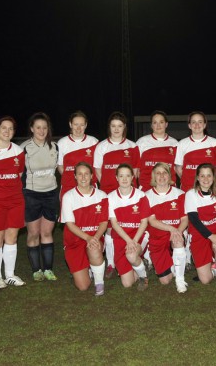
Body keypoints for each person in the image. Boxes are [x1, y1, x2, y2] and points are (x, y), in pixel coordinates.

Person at [94, 112, 140, 278]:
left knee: (129, 225)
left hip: (128, 194)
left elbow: (135, 172)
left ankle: (136, 258)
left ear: (124, 127)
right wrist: (108, 188)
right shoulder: (101, 146)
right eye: (113, 126)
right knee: (109, 229)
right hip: (108, 193)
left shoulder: (132, 146)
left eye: (119, 126)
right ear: (109, 127)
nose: (116, 129)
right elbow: (98, 171)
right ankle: (111, 263)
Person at [0, 116, 27, 288]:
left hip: (16, 200)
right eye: (4, 128)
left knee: (12, 237)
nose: (7, 131)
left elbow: (18, 175)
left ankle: (10, 274)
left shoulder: (18, 151)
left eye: (11, 128)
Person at [20, 112, 59, 282]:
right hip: (31, 194)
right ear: (31, 129)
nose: (41, 131)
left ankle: (48, 269)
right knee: (34, 233)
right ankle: (36, 270)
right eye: (38, 127)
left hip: (51, 194)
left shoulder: (55, 147)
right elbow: (19, 175)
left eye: (44, 127)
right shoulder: (24, 148)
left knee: (47, 232)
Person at [60, 162, 108, 295]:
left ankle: (99, 283)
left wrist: (95, 238)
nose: (83, 177)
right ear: (75, 176)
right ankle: (88, 268)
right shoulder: (68, 196)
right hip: (74, 241)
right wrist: (87, 237)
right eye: (79, 174)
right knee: (83, 286)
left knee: (93, 247)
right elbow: (70, 224)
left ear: (92, 175)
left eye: (86, 174)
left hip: (94, 237)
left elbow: (104, 222)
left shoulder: (102, 195)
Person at [184, 163, 216, 290]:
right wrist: (210, 236)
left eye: (209, 175)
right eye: (202, 176)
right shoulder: (190, 194)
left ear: (214, 177)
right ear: (198, 178)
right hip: (200, 234)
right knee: (205, 280)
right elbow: (194, 220)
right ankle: (213, 266)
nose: (206, 179)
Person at [145, 162, 189, 293]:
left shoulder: (180, 194)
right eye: (158, 173)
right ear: (153, 177)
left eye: (164, 173)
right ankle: (176, 263)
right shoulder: (147, 196)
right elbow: (152, 221)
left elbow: (184, 219)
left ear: (169, 175)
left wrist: (178, 232)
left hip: (176, 234)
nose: (161, 176)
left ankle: (180, 280)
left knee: (177, 240)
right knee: (165, 281)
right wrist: (172, 229)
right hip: (157, 238)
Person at [108, 164, 151, 290]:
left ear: (133, 177)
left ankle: (143, 276)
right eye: (121, 176)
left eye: (128, 175)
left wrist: (134, 241)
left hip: (139, 236)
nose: (124, 179)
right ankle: (138, 263)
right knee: (127, 284)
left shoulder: (141, 195)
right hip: (121, 238)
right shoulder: (110, 197)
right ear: (116, 178)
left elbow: (144, 222)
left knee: (131, 255)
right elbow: (114, 223)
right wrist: (128, 241)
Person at [175, 111, 216, 193]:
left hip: (209, 189)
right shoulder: (182, 144)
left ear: (205, 125)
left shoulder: (214, 143)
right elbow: (178, 168)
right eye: (193, 122)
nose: (197, 125)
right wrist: (187, 181)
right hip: (188, 189)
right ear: (189, 125)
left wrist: (210, 182)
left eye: (200, 122)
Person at [57, 111, 99, 201]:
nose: (79, 128)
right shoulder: (62, 143)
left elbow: (98, 166)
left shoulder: (94, 142)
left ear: (86, 125)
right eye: (76, 124)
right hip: (68, 187)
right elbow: (60, 166)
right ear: (70, 124)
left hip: (90, 187)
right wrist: (70, 177)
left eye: (82, 125)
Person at [136, 111, 179, 192]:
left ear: (166, 124)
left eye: (161, 122)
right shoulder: (142, 142)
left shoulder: (174, 143)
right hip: (146, 189)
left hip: (169, 189)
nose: (158, 125)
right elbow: (136, 169)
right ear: (151, 125)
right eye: (155, 122)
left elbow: (178, 168)